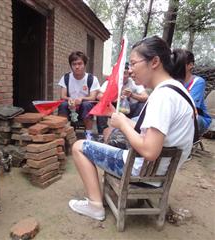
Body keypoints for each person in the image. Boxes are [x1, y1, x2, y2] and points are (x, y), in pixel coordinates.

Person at [68, 36, 195, 221]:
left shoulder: (163, 96)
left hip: (143, 172)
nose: (130, 70)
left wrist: (122, 125)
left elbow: (150, 151)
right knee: (114, 135)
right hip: (162, 172)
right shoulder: (178, 90)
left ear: (155, 62)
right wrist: (117, 117)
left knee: (79, 146)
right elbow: (151, 132)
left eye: (134, 63)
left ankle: (95, 205)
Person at [58, 51, 100, 140]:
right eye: (74, 64)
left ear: (84, 64)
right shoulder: (66, 78)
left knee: (87, 104)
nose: (77, 67)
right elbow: (63, 96)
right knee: (63, 104)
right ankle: (63, 132)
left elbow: (92, 97)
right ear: (71, 66)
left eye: (80, 64)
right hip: (70, 107)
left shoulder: (92, 79)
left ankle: (88, 134)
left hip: (84, 109)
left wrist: (82, 98)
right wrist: (69, 99)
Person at [176, 49, 211, 136]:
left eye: (179, 63)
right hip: (177, 115)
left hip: (198, 119)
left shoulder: (198, 82)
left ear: (190, 65)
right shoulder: (173, 81)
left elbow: (189, 108)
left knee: (186, 116)